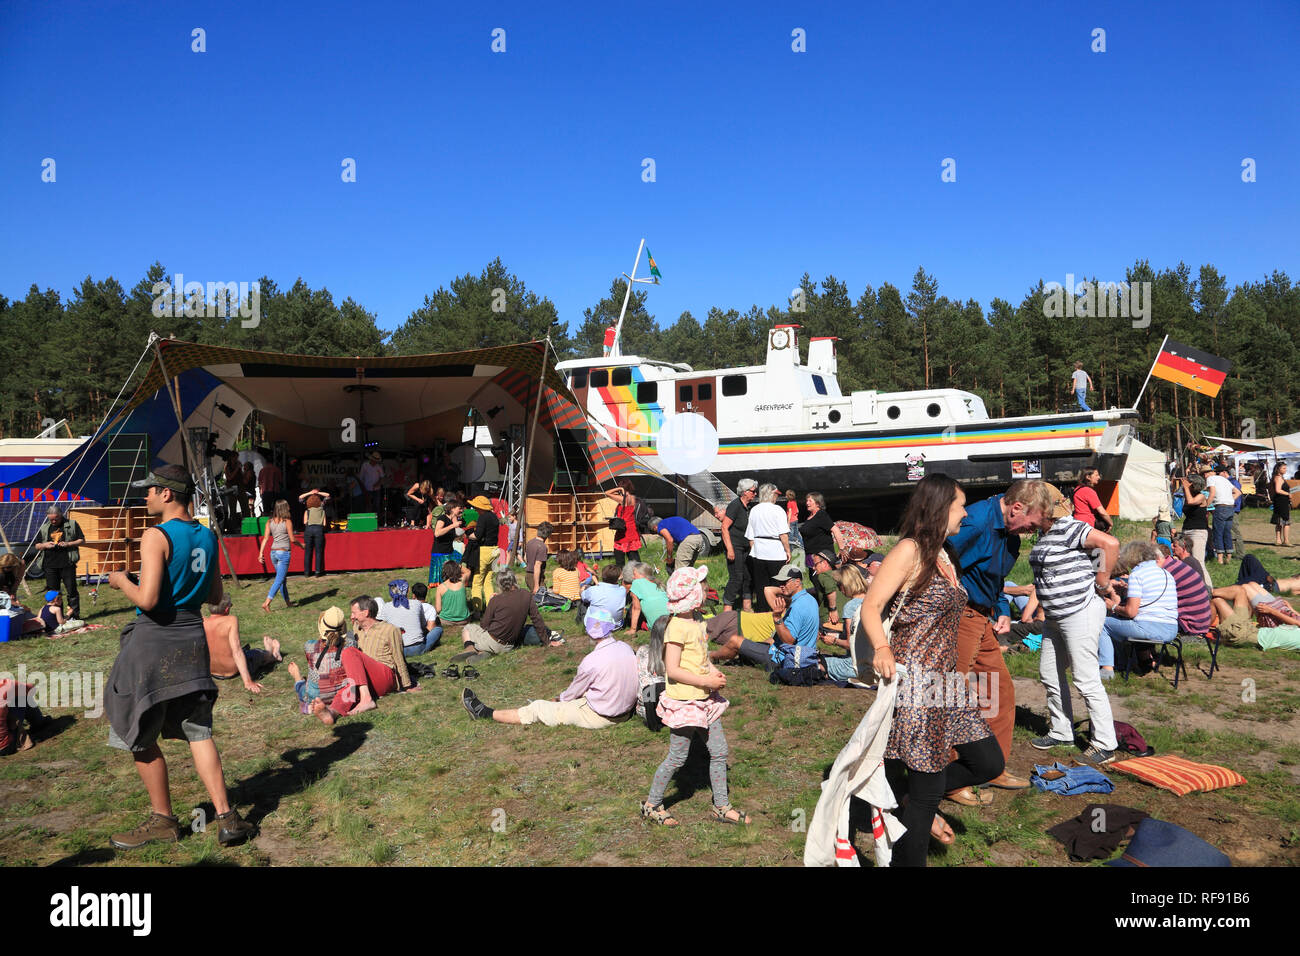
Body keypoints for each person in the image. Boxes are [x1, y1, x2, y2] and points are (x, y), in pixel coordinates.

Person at [104, 464, 256, 850]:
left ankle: (163, 820)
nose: (146, 496)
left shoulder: (155, 536)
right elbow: (215, 597)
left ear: (168, 494)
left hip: (154, 642)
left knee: (136, 727)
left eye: (150, 490)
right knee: (198, 731)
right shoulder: (207, 535)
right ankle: (226, 818)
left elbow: (149, 600)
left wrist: (122, 580)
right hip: (192, 639)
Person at [859, 473, 1005, 865]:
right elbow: (870, 606)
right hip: (917, 683)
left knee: (990, 762)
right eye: (960, 505)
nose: (965, 514)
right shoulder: (908, 550)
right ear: (940, 507)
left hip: (947, 684)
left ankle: (905, 797)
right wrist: (882, 647)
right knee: (927, 792)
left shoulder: (946, 553)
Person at [945, 479, 1045, 788]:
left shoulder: (1009, 535)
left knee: (999, 691)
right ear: (1017, 508)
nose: (1031, 533)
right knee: (950, 696)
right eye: (1031, 525)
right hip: (960, 616)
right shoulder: (973, 522)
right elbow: (937, 562)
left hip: (982, 617)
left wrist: (1001, 608)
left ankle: (991, 767)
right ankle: (948, 779)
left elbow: (993, 578)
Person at [641, 566, 750, 827]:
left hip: (705, 699)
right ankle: (652, 804)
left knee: (719, 751)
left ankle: (721, 806)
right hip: (685, 703)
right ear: (691, 594)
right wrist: (705, 680)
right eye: (702, 585)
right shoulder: (676, 628)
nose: (706, 588)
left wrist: (714, 673)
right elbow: (674, 669)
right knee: (677, 758)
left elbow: (700, 659)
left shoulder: (697, 623)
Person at [1025, 483, 1121, 763]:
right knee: (1049, 674)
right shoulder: (1045, 534)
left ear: (1044, 509)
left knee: (1085, 678)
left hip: (1079, 612)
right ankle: (1062, 730)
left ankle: (1104, 743)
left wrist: (1102, 582)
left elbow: (1109, 543)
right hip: (1055, 617)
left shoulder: (1069, 526)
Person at [461, 607, 638, 727]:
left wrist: (557, 699)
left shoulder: (591, 661)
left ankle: (485, 713)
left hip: (603, 715)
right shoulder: (626, 648)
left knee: (539, 708)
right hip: (625, 709)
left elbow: (571, 694)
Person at [308, 596, 418, 724]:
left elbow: (399, 658)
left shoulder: (390, 630)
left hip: (386, 674)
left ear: (365, 613)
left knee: (349, 652)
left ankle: (366, 700)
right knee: (350, 688)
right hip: (365, 678)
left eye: (354, 613)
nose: (351, 617)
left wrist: (407, 685)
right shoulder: (356, 628)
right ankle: (332, 712)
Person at [1098, 541, 1180, 679]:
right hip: (1171, 629)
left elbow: (1131, 612)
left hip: (1149, 629)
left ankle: (1107, 668)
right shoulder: (1167, 574)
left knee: (1103, 623)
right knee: (1118, 623)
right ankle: (1125, 663)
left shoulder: (1137, 575)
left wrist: (1112, 605)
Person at [451, 569, 560, 661]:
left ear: (499, 583)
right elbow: (537, 620)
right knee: (497, 641)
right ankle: (486, 652)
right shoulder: (527, 595)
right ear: (514, 580)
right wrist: (547, 642)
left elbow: (484, 625)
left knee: (468, 628)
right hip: (509, 645)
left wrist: (490, 603)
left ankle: (471, 648)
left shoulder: (496, 600)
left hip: (493, 639)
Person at [288, 608, 356, 714]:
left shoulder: (309, 646)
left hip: (316, 696)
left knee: (302, 687)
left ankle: (297, 678)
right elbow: (351, 635)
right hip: (345, 695)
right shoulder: (351, 645)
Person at [205, 595, 280, 691]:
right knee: (257, 653)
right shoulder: (231, 620)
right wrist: (248, 681)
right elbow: (237, 651)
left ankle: (268, 651)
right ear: (227, 609)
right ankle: (273, 654)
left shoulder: (203, 621)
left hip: (213, 672)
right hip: (232, 670)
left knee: (244, 650)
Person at [32, 505, 85, 621]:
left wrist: (68, 544)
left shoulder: (72, 524)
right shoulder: (45, 528)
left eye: (56, 518)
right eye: (51, 519)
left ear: (61, 515)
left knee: (71, 591)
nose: (54, 521)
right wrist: (45, 545)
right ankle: (57, 617)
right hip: (49, 565)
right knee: (54, 593)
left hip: (67, 563)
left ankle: (74, 616)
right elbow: (37, 545)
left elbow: (82, 540)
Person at [765, 564, 821, 672]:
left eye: (784, 582)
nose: (781, 586)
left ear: (797, 582)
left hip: (787, 658)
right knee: (762, 643)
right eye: (779, 582)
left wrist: (777, 617)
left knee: (736, 642)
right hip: (807, 656)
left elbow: (788, 641)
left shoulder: (798, 605)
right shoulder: (810, 599)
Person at [745, 483, 791, 611]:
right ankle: (778, 610)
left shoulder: (754, 510)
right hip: (775, 552)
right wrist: (788, 551)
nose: (776, 497)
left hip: (759, 553)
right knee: (778, 585)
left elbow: (750, 537)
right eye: (776, 494)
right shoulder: (777, 510)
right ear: (771, 494)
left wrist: (755, 550)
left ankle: (762, 611)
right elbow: (783, 534)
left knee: (761, 585)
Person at [1155, 545, 1213, 637]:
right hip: (1202, 622)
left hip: (1189, 625)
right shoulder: (1176, 565)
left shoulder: (1166, 572)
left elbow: (1155, 599)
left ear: (1157, 558)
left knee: (1146, 621)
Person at [721, 478, 758, 611]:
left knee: (748, 576)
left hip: (746, 547)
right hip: (734, 546)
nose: (755, 494)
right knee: (737, 577)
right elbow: (724, 527)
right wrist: (730, 549)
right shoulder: (735, 505)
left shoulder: (748, 507)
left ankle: (747, 607)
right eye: (753, 491)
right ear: (744, 492)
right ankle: (727, 608)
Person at [378, 579, 439, 656]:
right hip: (418, 647)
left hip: (397, 649)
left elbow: (381, 627)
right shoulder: (416, 603)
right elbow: (422, 625)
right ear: (406, 591)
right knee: (438, 629)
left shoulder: (386, 607)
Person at [257, 499, 299, 612]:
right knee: (279, 579)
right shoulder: (287, 522)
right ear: (284, 508)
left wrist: (260, 553)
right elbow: (292, 539)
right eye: (288, 506)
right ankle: (266, 603)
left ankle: (288, 602)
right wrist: (302, 545)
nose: (290, 507)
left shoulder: (269, 522)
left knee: (282, 579)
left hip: (273, 553)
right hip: (283, 552)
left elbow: (265, 538)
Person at [465, 495, 501, 611]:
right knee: (488, 580)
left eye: (476, 507)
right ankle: (491, 607)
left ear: (480, 507)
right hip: (495, 550)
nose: (475, 509)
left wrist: (468, 534)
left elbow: (477, 536)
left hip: (484, 551)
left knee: (477, 581)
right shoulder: (494, 517)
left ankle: (477, 610)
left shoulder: (483, 518)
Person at [0, 554, 44, 636]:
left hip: (8, 590)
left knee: (19, 612)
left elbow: (18, 579)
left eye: (9, 567)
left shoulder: (20, 564)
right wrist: (16, 604)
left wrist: (13, 591)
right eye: (4, 567)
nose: (6, 569)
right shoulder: (1, 575)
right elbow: (2, 598)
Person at [1206, 463, 1241, 563]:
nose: (1205, 475)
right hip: (1230, 507)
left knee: (1218, 533)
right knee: (1227, 532)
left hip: (1220, 507)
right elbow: (1238, 492)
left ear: (1212, 473)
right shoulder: (1225, 480)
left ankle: (1220, 559)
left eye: (1206, 473)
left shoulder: (1211, 479)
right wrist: (1230, 499)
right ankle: (1229, 557)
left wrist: (1206, 505)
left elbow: (1212, 493)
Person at [1179, 467, 1212, 570]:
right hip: (1186, 530)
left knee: (1198, 562)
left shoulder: (1202, 496)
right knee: (1187, 561)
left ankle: (1207, 586)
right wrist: (1186, 488)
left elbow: (1191, 502)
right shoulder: (1189, 495)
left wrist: (1186, 488)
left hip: (1198, 532)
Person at [606, 479, 643, 567]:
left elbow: (607, 493)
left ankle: (621, 574)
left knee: (619, 558)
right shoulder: (634, 498)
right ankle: (638, 574)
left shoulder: (622, 499)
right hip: (632, 530)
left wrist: (618, 489)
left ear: (622, 488)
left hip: (623, 530)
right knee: (634, 559)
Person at [625, 562, 669, 633]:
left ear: (642, 574)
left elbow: (636, 608)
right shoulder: (659, 584)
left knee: (634, 605)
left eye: (634, 574)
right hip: (671, 622)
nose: (633, 577)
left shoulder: (637, 583)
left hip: (656, 627)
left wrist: (632, 629)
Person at [429, 502, 464, 584]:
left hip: (449, 552)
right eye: (459, 508)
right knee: (443, 580)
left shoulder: (452, 520)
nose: (461, 510)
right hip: (441, 554)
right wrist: (453, 526)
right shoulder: (442, 518)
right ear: (452, 509)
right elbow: (437, 533)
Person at [298, 488, 330, 577]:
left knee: (308, 552)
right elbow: (328, 495)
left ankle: (307, 572)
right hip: (319, 530)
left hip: (308, 530)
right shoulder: (322, 508)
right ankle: (318, 572)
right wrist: (318, 493)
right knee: (318, 552)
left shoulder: (307, 510)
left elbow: (300, 498)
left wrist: (310, 493)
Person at [800, 492, 835, 567]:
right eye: (807, 501)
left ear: (818, 503)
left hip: (821, 556)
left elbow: (836, 530)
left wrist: (842, 549)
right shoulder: (810, 516)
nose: (807, 503)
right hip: (810, 554)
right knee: (813, 577)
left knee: (821, 577)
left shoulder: (821, 515)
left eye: (810, 501)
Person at [807, 550, 841, 628]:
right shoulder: (839, 574)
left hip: (829, 619)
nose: (813, 567)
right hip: (843, 616)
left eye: (815, 564)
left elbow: (830, 589)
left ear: (824, 563)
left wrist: (833, 609)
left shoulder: (823, 576)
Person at [433, 560, 471, 626]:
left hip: (445, 620)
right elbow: (468, 571)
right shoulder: (462, 581)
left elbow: (438, 609)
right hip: (464, 620)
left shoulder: (440, 587)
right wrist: (457, 565)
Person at [524, 521, 552, 593]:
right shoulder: (542, 547)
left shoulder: (530, 542)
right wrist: (536, 585)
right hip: (535, 577)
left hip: (528, 575)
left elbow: (525, 558)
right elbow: (537, 566)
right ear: (548, 535)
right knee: (541, 599)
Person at [359, 450, 386, 524]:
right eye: (374, 460)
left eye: (376, 461)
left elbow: (382, 477)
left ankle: (376, 521)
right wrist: (362, 488)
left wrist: (378, 483)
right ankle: (367, 521)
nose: (375, 462)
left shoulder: (378, 467)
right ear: (371, 459)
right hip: (367, 489)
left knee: (376, 505)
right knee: (367, 505)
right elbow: (361, 477)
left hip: (376, 489)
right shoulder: (365, 465)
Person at [1271, 462, 1292, 546]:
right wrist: (1288, 494)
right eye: (1283, 468)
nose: (1285, 470)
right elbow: (1278, 490)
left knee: (1279, 521)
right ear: (1278, 469)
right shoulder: (1278, 478)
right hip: (1281, 502)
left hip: (1280, 501)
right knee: (1286, 521)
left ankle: (1279, 540)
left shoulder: (1279, 478)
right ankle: (1285, 540)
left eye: (1285, 468)